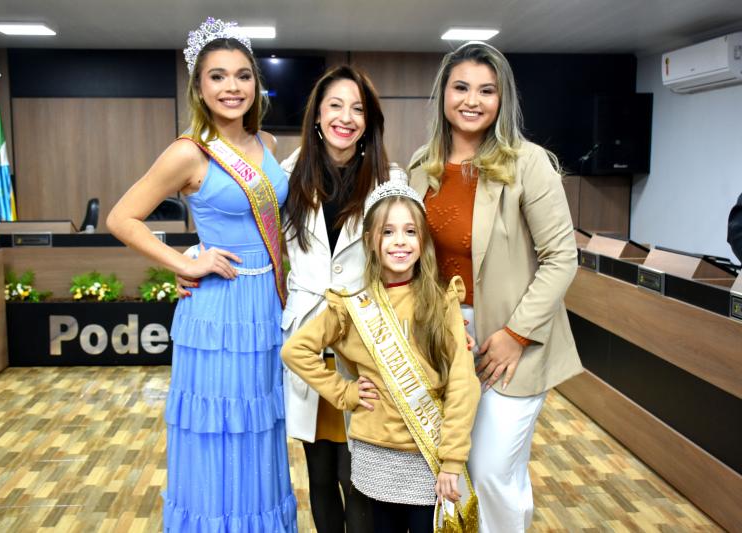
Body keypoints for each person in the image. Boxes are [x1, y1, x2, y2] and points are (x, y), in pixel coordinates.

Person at [179, 64, 406, 533]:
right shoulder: (287, 175)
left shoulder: (391, 179)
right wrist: (191, 256)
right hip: (308, 345)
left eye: (358, 109)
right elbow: (245, 227)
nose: (346, 118)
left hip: (366, 345)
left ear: (369, 120)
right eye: (335, 106)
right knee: (319, 475)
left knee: (360, 480)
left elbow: (411, 254)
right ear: (317, 115)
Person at [106, 17, 297, 532]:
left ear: (256, 83)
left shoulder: (267, 144)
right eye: (218, 76)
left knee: (260, 425)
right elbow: (122, 218)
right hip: (219, 308)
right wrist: (186, 262)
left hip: (264, 305)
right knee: (219, 426)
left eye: (242, 75)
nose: (232, 87)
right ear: (199, 86)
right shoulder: (189, 151)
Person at [408, 41, 582, 532]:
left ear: (503, 99)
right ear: (443, 94)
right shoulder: (423, 164)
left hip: (511, 342)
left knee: (492, 473)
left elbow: (561, 258)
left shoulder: (528, 162)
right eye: (461, 87)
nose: (472, 100)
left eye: (487, 90)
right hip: (444, 340)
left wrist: (515, 334)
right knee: (453, 469)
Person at [281, 181, 480, 533]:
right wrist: (345, 392)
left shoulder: (441, 302)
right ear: (370, 240)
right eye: (388, 232)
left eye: (410, 231)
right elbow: (295, 350)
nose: (400, 241)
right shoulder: (353, 307)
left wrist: (452, 459)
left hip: (428, 455)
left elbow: (463, 385)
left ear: (423, 241)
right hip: (374, 455)